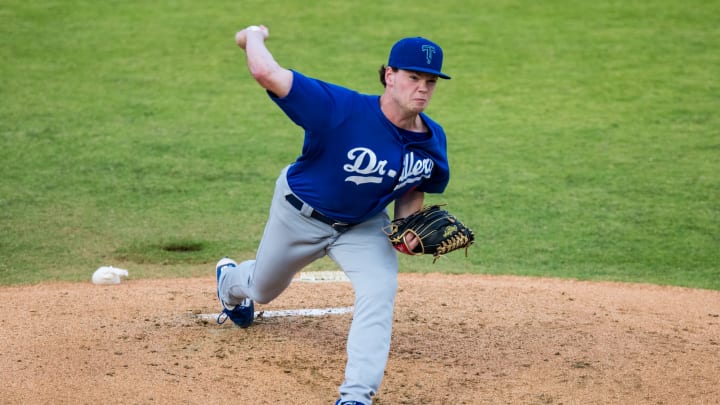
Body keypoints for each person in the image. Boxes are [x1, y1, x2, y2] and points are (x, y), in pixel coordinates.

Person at [215, 24, 452, 405]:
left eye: (431, 81)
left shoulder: (432, 137)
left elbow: (413, 185)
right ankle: (229, 281)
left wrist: (408, 229)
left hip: (363, 226)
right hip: (299, 215)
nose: (423, 88)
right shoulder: (339, 109)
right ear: (389, 77)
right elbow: (267, 74)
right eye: (413, 77)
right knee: (262, 289)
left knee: (379, 290)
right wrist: (252, 37)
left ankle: (356, 396)